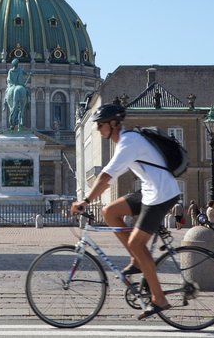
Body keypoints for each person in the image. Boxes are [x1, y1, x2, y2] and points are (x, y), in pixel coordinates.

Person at [70, 104, 180, 320]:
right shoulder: (125, 141)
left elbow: (105, 177)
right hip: (150, 190)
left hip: (162, 194)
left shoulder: (128, 142)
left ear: (113, 124)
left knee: (136, 243)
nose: (98, 129)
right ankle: (137, 260)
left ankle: (159, 298)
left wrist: (85, 201)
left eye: (100, 125)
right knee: (109, 211)